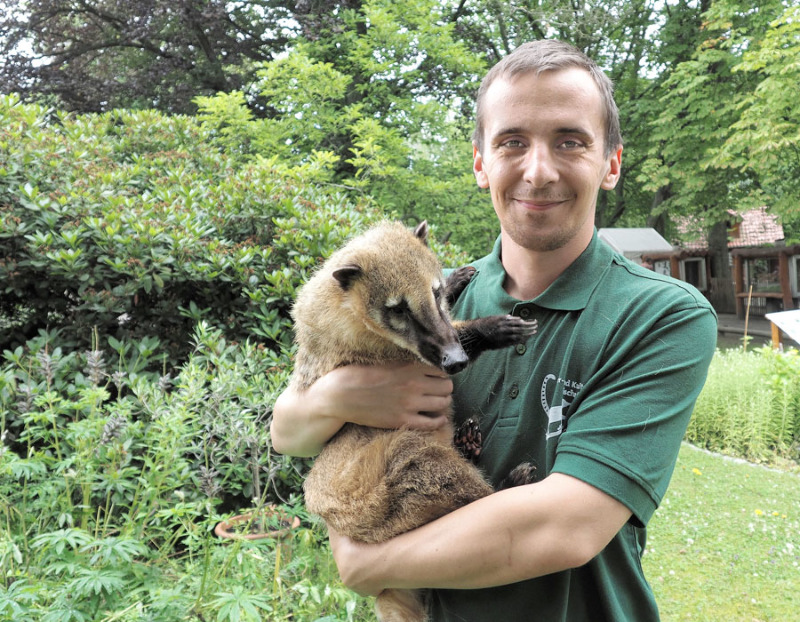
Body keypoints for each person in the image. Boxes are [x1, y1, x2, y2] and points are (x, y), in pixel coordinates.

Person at [270, 39, 717, 621]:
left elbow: (565, 528)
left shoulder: (661, 315)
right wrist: (341, 395)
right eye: (512, 142)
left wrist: (369, 565)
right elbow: (288, 433)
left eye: (570, 141)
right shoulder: (432, 295)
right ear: (481, 163)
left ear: (611, 163)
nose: (538, 170)